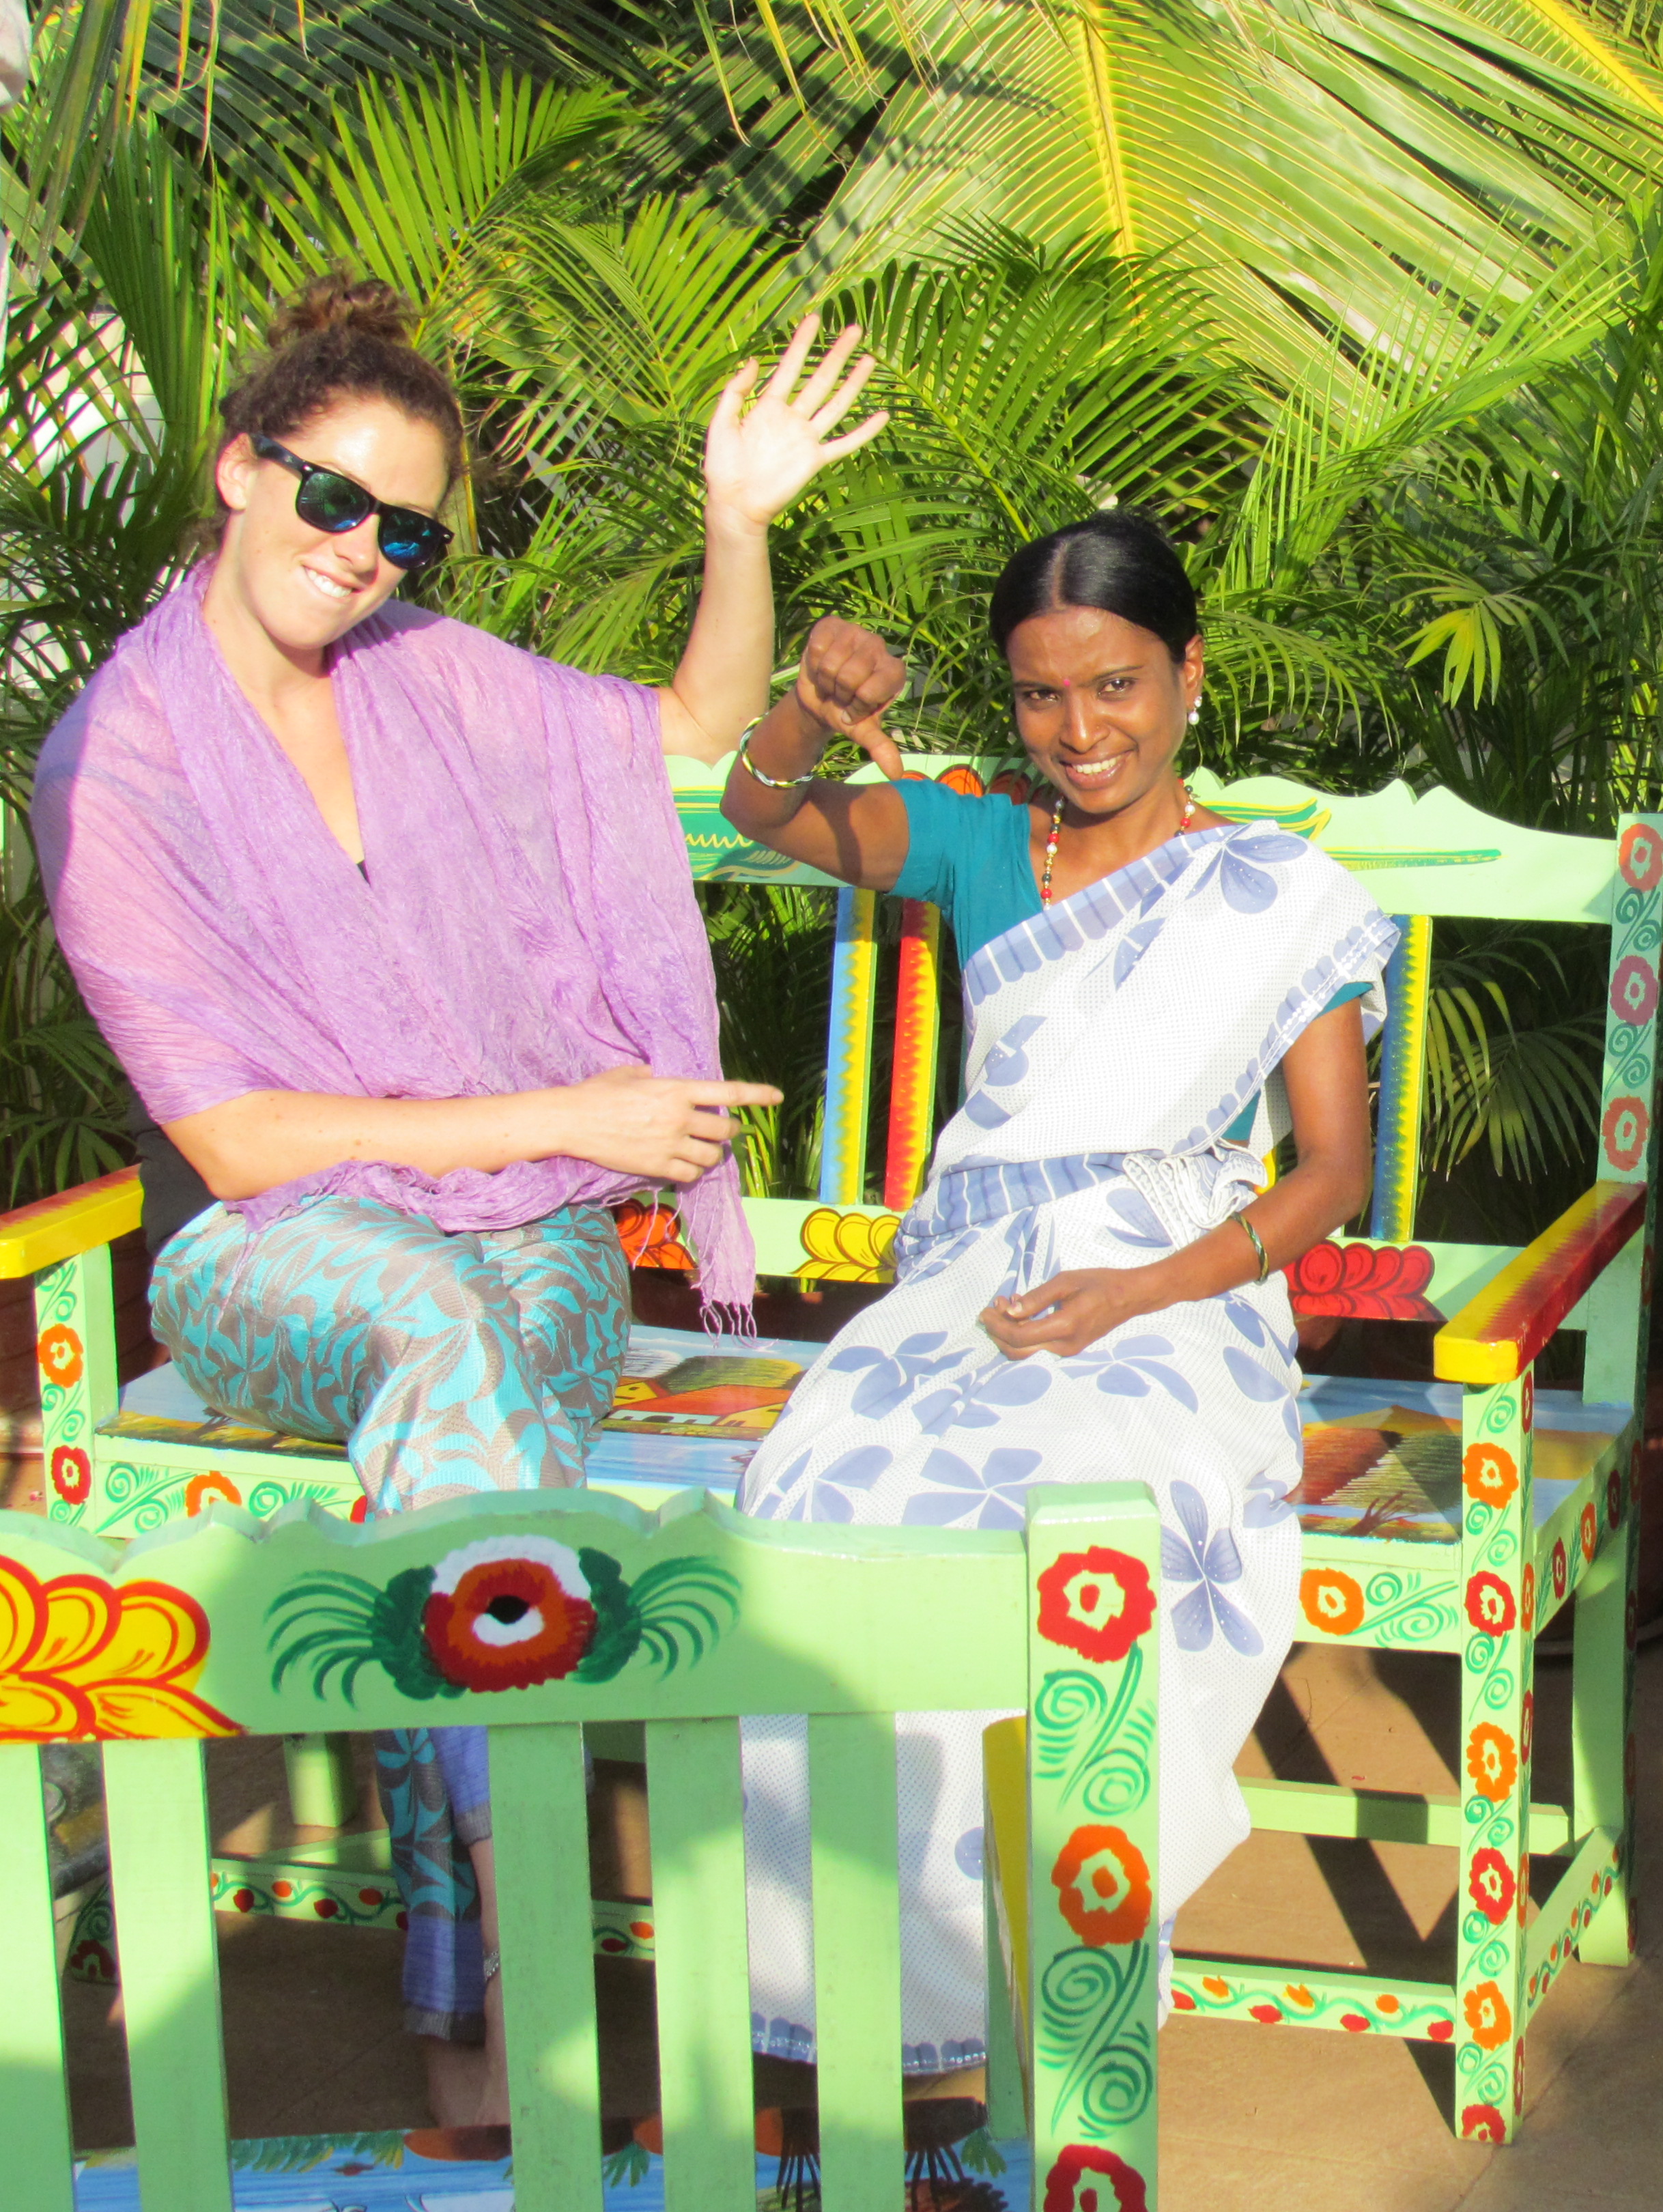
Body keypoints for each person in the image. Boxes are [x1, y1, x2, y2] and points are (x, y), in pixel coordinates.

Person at [33, 274, 885, 2123]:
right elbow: (234, 1145)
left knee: (469, 1429)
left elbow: (687, 728)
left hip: (527, 1229)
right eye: (333, 498)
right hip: (270, 1255)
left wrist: (738, 521)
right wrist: (570, 1109)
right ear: (240, 468)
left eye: (405, 530)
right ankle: (533, 1954)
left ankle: (479, 2057)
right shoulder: (120, 759)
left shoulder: (425, 672)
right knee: (444, 1343)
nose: (362, 552)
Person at [717, 511, 1399, 2078]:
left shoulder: (1272, 892)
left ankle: (1044, 1986)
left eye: (1117, 685)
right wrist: (811, 708)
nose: (1081, 730)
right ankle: (856, 2002)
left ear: (1189, 674)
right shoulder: (976, 844)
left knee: (1076, 1516)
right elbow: (761, 806)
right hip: (973, 1277)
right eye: (1041, 695)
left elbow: (1327, 1177)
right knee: (823, 1490)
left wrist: (1138, 1292)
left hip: (1175, 1289)